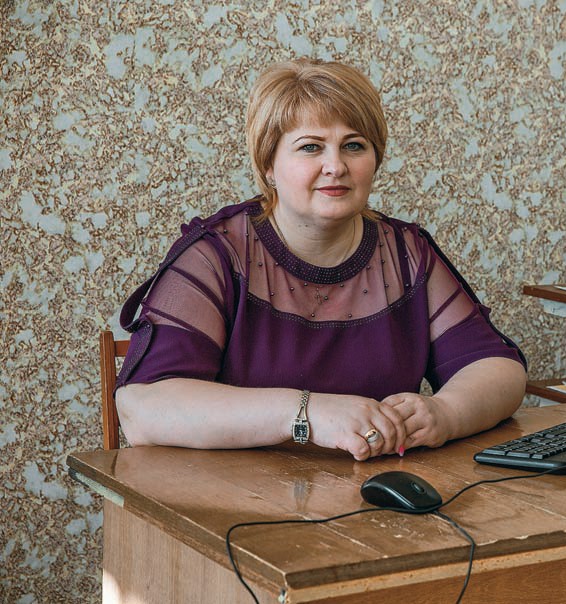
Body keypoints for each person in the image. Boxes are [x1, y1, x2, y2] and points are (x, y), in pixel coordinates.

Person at [114, 58, 527, 460]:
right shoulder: (216, 254)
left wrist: (445, 412)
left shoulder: (406, 253)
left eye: (354, 146)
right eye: (311, 147)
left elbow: (499, 369)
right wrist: (306, 413)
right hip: (230, 498)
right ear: (268, 165)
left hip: (371, 494)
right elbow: (142, 410)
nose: (336, 166)